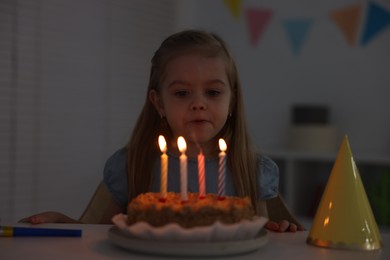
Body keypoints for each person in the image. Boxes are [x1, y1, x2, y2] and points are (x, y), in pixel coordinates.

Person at [20, 29, 303, 232]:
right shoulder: (132, 165)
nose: (198, 104)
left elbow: (263, 235)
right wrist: (63, 224)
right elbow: (100, 236)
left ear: (232, 100)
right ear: (159, 103)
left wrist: (282, 229)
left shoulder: (252, 169)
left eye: (213, 92)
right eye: (182, 93)